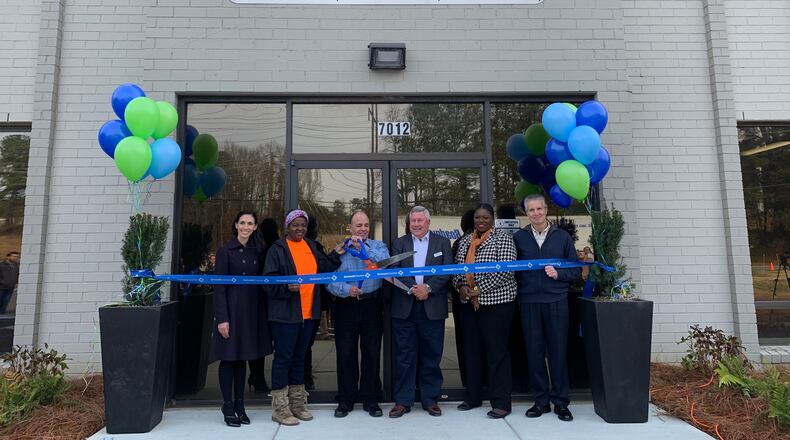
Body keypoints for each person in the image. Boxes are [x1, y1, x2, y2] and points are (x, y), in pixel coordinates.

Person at [264, 210, 342, 426]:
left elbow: (325, 268)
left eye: (303, 225)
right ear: (287, 226)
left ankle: (297, 404)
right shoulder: (277, 249)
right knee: (283, 358)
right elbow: (268, 281)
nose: (299, 229)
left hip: (308, 315)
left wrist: (337, 254)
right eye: (295, 225)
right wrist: (286, 287)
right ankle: (280, 408)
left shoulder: (311, 246)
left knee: (300, 358)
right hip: (285, 316)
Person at [513, 195, 581, 422]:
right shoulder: (519, 238)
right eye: (530, 210)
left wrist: (559, 273)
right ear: (526, 213)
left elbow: (576, 271)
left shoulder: (562, 237)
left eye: (539, 209)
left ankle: (561, 402)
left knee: (558, 353)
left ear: (546, 209)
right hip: (530, 302)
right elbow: (513, 270)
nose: (536, 213)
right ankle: (540, 402)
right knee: (534, 353)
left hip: (556, 302)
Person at [452, 203, 518, 418]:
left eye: (485, 218)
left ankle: (501, 402)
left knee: (496, 352)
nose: (480, 221)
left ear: (492, 219)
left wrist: (477, 289)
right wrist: (461, 286)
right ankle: (473, 397)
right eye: (478, 218)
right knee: (472, 351)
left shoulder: (503, 239)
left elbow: (505, 271)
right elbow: (456, 269)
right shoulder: (465, 241)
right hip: (469, 306)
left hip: (496, 305)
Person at [388, 206, 452, 418]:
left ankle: (430, 399)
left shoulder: (442, 243)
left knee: (431, 355)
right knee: (405, 356)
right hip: (405, 307)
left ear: (428, 223)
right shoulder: (399, 243)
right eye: (413, 221)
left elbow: (448, 270)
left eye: (419, 221)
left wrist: (429, 288)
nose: (416, 224)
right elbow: (394, 271)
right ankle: (403, 401)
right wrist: (414, 289)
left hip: (432, 307)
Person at [210, 211, 272, 427]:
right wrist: (222, 318)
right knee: (229, 359)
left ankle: (240, 405)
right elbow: (220, 287)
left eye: (250, 223)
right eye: (242, 223)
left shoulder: (257, 252)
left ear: (255, 227)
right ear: (236, 225)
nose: (246, 227)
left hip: (251, 313)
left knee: (242, 359)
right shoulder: (225, 251)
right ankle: (227, 405)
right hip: (231, 312)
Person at [327, 211, 390, 418]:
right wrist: (346, 289)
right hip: (347, 306)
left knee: (371, 354)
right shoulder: (340, 251)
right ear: (350, 228)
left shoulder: (377, 247)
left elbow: (386, 263)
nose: (363, 229)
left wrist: (364, 250)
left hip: (372, 305)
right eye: (358, 225)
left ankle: (371, 400)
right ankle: (346, 400)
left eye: (365, 225)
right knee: (346, 354)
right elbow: (329, 279)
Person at [247, 218, 279, 395]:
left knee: (256, 340)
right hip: (264, 301)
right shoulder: (272, 248)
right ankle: (258, 379)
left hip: (259, 300)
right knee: (261, 340)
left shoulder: (257, 247)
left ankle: (256, 377)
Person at [450, 209, 475, 389]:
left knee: (466, 344)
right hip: (466, 299)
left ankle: (469, 382)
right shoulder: (461, 243)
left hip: (463, 301)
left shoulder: (457, 243)